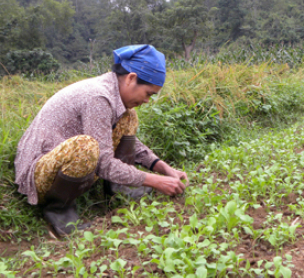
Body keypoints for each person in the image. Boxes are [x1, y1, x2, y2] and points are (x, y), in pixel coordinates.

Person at [15, 44, 188, 237]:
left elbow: (124, 140)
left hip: (59, 163)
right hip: (38, 171)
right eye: (148, 93)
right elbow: (103, 164)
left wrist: (162, 167)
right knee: (85, 147)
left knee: (129, 116)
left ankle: (118, 189)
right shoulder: (99, 96)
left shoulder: (114, 97)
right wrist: (155, 181)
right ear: (131, 78)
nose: (147, 100)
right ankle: (59, 213)